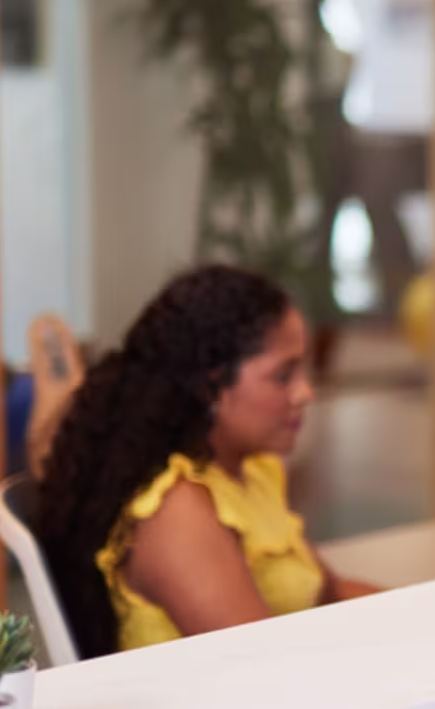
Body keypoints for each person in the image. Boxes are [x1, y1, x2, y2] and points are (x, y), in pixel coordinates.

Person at [37, 265, 379, 658]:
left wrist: (430, 619)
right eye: (283, 376)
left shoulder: (253, 470)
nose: (305, 392)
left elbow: (328, 592)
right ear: (210, 386)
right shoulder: (177, 513)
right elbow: (262, 670)